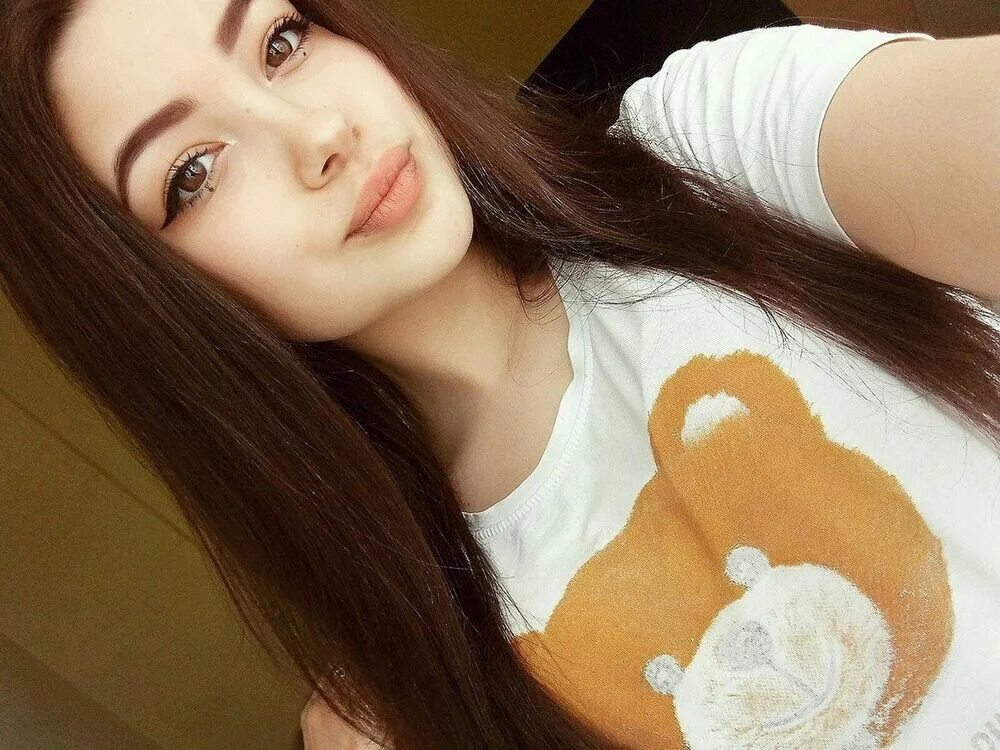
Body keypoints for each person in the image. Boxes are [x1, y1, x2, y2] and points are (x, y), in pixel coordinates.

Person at [1, 1, 998, 748]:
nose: (318, 134)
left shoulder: (710, 152)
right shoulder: (425, 691)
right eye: (193, 172)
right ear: (152, 305)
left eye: (280, 41)